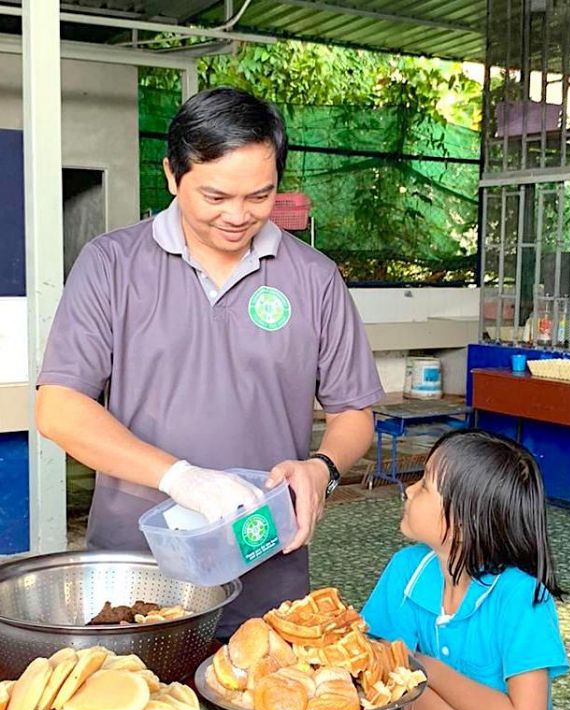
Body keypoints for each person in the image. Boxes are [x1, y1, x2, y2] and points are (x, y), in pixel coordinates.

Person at [36, 86, 383, 637]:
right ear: (173, 175)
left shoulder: (313, 277)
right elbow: (59, 408)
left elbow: (353, 413)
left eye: (259, 197)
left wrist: (323, 469)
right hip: (141, 571)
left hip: (265, 563)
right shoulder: (113, 265)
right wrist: (180, 478)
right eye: (215, 197)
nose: (238, 216)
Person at [362, 429, 568, 710]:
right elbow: (372, 687)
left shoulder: (522, 598)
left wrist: (428, 669)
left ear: (463, 522)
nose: (409, 490)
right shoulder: (406, 570)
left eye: (426, 485)